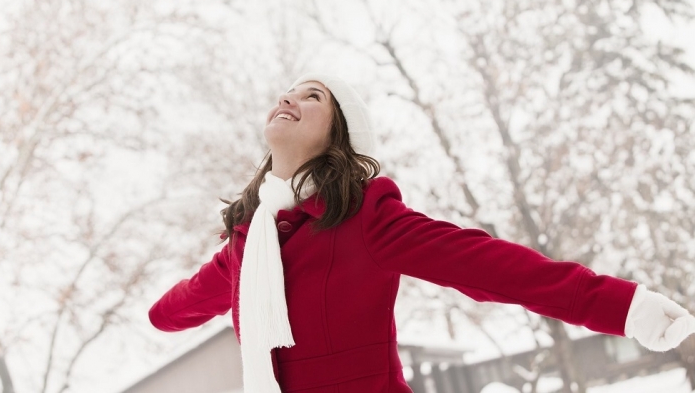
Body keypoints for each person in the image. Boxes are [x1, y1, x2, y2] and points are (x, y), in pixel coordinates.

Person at [149, 73, 695, 392]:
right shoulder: (251, 244)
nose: (289, 98)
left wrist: (625, 307)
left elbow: (497, 269)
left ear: (339, 134)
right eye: (289, 91)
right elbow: (179, 307)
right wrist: (152, 316)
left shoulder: (366, 219)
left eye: (313, 95)